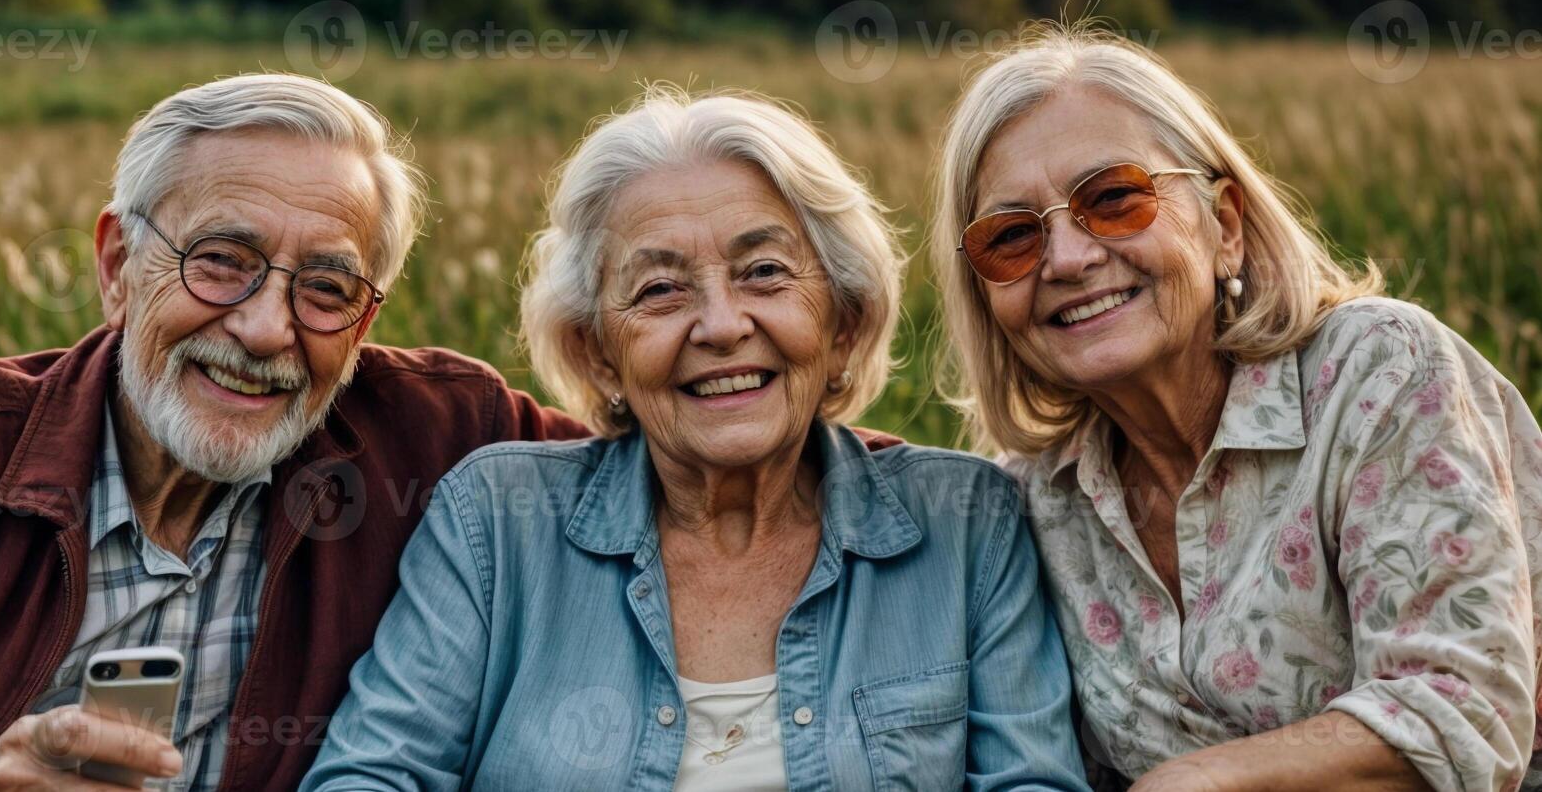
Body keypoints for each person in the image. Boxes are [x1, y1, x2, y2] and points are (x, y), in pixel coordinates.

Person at [0, 74, 590, 790]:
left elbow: (658, 480)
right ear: (117, 265)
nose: (267, 329)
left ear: (365, 321)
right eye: (220, 262)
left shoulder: (433, 434)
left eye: (327, 289)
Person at [301, 88, 1090, 791]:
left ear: (843, 324)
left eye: (765, 273)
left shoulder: (967, 525)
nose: (719, 326)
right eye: (659, 290)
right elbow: (372, 771)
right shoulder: (495, 521)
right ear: (596, 352)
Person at [929, 26, 1542, 792]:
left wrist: (1195, 783)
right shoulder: (1031, 501)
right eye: (1011, 237)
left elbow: (1461, 717)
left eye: (1113, 198)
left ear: (1224, 226)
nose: (1067, 260)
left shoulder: (1375, 371)